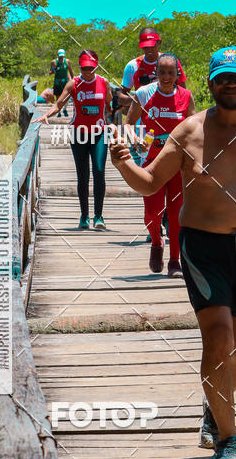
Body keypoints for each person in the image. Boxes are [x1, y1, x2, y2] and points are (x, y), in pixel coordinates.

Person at [110, 46, 236, 459]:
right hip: (202, 247)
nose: (232, 84)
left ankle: (215, 408)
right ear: (210, 83)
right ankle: (229, 443)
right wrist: (122, 164)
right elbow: (150, 182)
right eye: (223, 77)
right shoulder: (188, 132)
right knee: (218, 337)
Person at [124, 54, 195, 277]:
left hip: (177, 165)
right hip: (152, 164)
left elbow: (194, 130)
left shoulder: (186, 96)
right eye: (161, 72)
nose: (166, 77)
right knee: (152, 213)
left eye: (170, 72)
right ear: (155, 72)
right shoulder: (144, 94)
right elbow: (127, 123)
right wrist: (134, 139)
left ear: (177, 75)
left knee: (176, 215)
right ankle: (156, 242)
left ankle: (175, 261)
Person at [39, 50, 111, 230]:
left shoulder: (104, 83)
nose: (88, 72)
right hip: (78, 133)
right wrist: (47, 114)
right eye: (85, 68)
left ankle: (99, 216)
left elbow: (110, 105)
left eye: (91, 68)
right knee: (83, 175)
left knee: (100, 170)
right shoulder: (74, 83)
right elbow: (59, 104)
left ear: (96, 65)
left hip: (99, 133)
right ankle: (84, 216)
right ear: (80, 66)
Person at [119, 27, 187, 107]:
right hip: (142, 116)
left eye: (152, 46)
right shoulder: (132, 66)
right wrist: (139, 99)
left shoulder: (172, 62)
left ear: (159, 43)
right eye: (145, 47)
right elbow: (121, 97)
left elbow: (183, 92)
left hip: (169, 113)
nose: (149, 50)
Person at [50, 49, 74, 117]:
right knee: (58, 97)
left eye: (62, 56)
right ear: (58, 55)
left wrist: (73, 80)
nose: (61, 57)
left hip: (65, 81)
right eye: (60, 56)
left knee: (66, 96)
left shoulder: (67, 61)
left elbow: (70, 71)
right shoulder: (54, 62)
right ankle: (58, 111)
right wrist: (52, 71)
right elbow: (50, 72)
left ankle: (65, 109)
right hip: (58, 81)